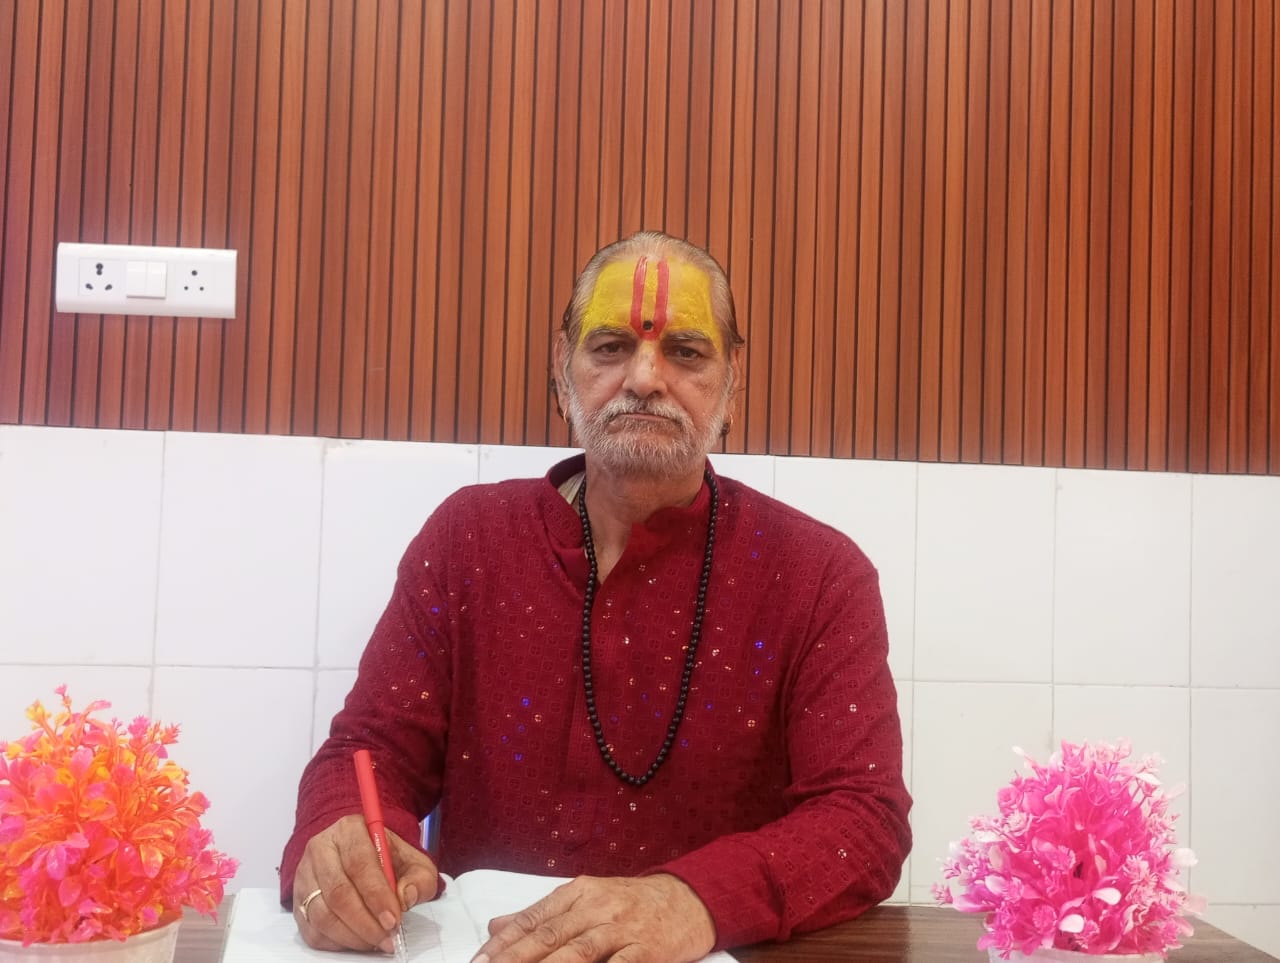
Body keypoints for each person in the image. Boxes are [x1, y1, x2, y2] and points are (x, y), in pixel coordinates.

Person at [280, 231, 912, 961]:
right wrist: (343, 841)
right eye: (611, 347)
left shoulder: (818, 573)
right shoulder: (468, 538)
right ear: (563, 370)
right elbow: (368, 753)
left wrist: (692, 901)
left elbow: (863, 819)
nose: (644, 378)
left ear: (732, 381)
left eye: (686, 352)